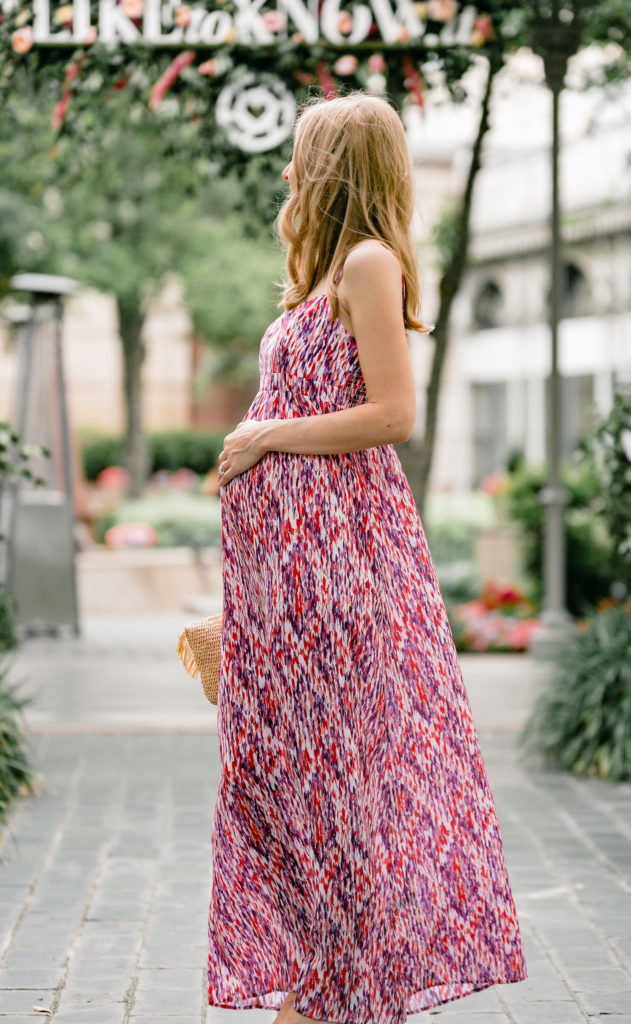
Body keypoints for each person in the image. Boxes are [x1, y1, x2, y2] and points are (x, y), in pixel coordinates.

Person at [208, 90, 528, 1024]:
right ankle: (324, 984)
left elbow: (394, 415)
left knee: (337, 788)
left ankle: (338, 997)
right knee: (283, 780)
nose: (285, 173)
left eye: (300, 154)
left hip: (342, 565)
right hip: (290, 577)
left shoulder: (369, 263)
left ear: (336, 166)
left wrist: (265, 436)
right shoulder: (318, 276)